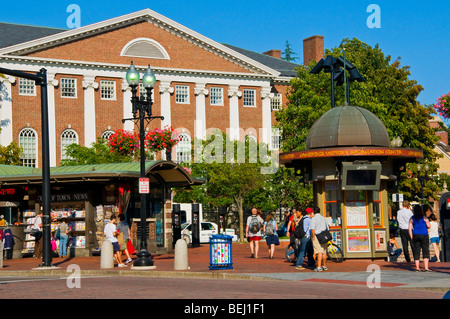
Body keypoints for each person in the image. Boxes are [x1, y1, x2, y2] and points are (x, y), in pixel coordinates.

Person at [409, 205, 431, 272]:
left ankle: (417, 267)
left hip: (416, 235)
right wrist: (427, 222)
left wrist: (411, 236)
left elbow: (409, 228)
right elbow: (429, 226)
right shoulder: (424, 217)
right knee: (425, 250)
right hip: (424, 235)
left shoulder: (412, 218)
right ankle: (426, 268)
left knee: (417, 251)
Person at [309, 206, 328, 272]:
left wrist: (313, 236)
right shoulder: (323, 218)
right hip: (324, 235)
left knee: (319, 251)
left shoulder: (313, 219)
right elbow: (327, 227)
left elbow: (312, 229)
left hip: (317, 236)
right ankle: (324, 266)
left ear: (314, 212)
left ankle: (319, 267)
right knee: (324, 252)